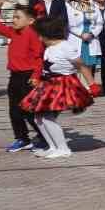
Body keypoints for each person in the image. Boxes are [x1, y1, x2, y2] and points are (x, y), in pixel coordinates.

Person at [20, 13, 95, 159]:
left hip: (62, 86)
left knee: (47, 117)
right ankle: (53, 146)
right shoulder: (49, 48)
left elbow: (82, 66)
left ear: (45, 35)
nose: (38, 38)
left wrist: (92, 84)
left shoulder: (66, 47)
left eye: (39, 35)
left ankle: (63, 149)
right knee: (38, 118)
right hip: (47, 85)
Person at [0, 3, 45, 151]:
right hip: (14, 77)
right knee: (14, 111)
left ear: (30, 21)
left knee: (29, 111)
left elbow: (39, 58)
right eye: (13, 17)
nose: (14, 20)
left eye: (18, 17)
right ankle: (22, 138)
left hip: (28, 78)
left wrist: (36, 76)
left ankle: (45, 136)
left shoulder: (32, 34)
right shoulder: (13, 32)